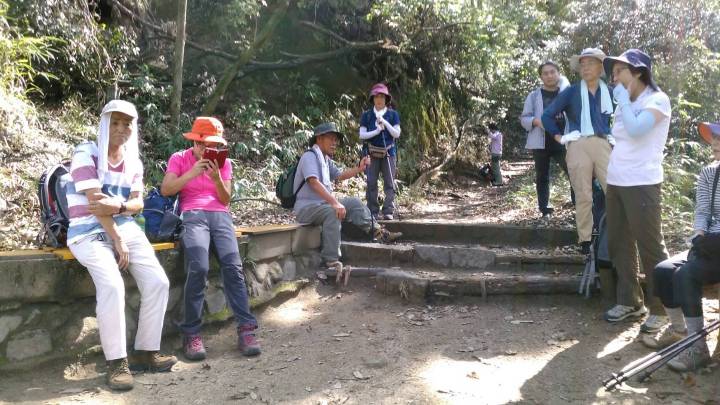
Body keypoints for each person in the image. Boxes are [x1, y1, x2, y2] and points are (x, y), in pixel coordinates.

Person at [66, 100, 176, 391]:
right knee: (113, 285)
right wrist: (116, 239)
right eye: (114, 122)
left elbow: (138, 203)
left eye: (126, 123)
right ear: (104, 124)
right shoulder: (85, 153)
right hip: (86, 231)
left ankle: (146, 351)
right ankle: (116, 362)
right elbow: (95, 204)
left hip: (125, 226)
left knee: (158, 281)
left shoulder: (133, 161)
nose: (120, 128)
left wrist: (119, 206)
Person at [161, 117, 260, 361]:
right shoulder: (179, 158)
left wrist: (216, 178)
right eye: (203, 144)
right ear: (194, 142)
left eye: (214, 145)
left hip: (220, 215)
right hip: (192, 213)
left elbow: (226, 200)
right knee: (199, 267)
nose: (207, 149)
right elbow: (167, 189)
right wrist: (193, 172)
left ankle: (246, 330)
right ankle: (191, 334)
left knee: (233, 267)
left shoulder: (223, 163)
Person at [601, 49, 671, 330]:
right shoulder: (625, 101)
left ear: (639, 72)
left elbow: (637, 130)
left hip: (642, 182)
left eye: (619, 71)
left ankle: (663, 308)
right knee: (619, 243)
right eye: (613, 73)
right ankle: (630, 301)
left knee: (650, 246)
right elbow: (620, 137)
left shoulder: (657, 100)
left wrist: (622, 102)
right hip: (616, 179)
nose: (614, 78)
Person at [643, 121, 720, 371]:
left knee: (686, 275)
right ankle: (681, 333)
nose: (715, 142)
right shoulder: (710, 172)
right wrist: (699, 234)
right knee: (663, 271)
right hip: (708, 245)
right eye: (714, 137)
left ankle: (698, 349)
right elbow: (703, 211)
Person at [294, 122, 402, 284]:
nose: (334, 143)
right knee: (333, 211)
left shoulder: (325, 159)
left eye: (336, 140)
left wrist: (359, 168)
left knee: (353, 202)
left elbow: (340, 175)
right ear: (319, 138)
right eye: (331, 138)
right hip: (307, 208)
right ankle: (331, 260)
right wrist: (335, 203)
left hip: (322, 205)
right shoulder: (309, 157)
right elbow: (313, 182)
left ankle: (379, 232)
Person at [542, 48, 614, 254]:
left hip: (604, 143)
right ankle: (585, 240)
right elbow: (547, 116)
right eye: (582, 65)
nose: (586, 68)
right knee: (583, 194)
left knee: (614, 191)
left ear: (600, 67)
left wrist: (615, 136)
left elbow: (621, 116)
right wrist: (560, 137)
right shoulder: (572, 91)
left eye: (590, 64)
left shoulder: (610, 92)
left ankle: (615, 236)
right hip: (578, 143)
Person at [520, 61, 574, 218]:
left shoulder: (566, 93)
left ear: (558, 73)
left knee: (573, 172)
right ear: (541, 77)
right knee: (542, 176)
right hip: (540, 142)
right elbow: (524, 118)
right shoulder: (534, 96)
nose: (549, 76)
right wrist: (537, 122)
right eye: (545, 73)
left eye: (552, 72)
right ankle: (545, 209)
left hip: (563, 141)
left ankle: (578, 204)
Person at [359, 83, 401, 220]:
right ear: (372, 98)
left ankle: (388, 210)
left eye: (382, 96)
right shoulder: (367, 115)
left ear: (386, 99)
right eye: (376, 96)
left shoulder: (393, 114)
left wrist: (385, 122)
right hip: (371, 152)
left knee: (389, 182)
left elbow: (396, 134)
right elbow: (362, 135)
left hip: (389, 152)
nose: (379, 99)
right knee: (371, 182)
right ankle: (372, 211)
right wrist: (377, 131)